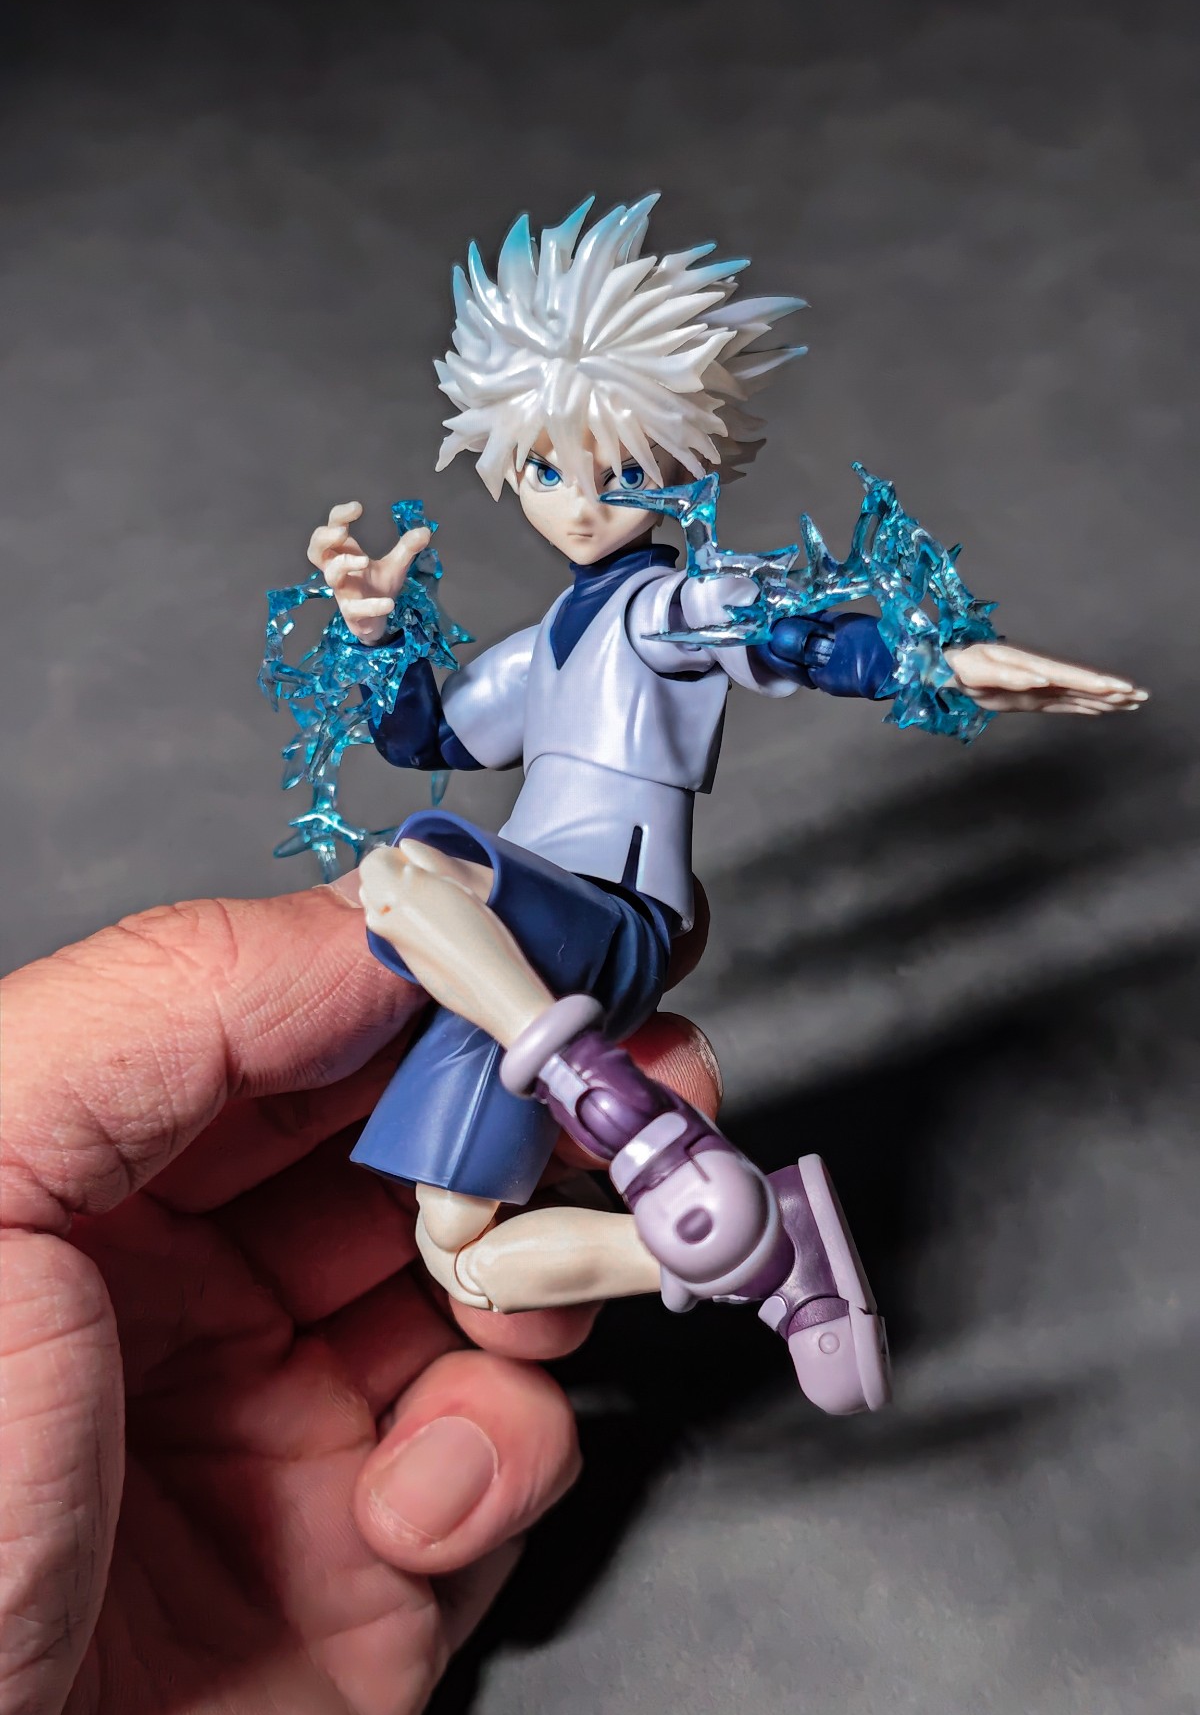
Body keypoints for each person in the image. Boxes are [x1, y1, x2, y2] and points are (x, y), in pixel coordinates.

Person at [305, 195, 1145, 1330]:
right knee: (459, 1249)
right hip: (509, 958)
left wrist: (938, 661)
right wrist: (373, 637)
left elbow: (793, 636)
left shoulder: (664, 606)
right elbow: (429, 741)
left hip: (603, 919)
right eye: (547, 471)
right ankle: (760, 1255)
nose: (583, 506)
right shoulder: (539, 651)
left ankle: (607, 1102)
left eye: (622, 472)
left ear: (681, 463)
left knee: (402, 873)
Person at [0, 875, 719, 1715]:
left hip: (509, 1002)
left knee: (467, 1256)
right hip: (513, 1014)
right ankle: (708, 1245)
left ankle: (706, 1246)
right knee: (466, 1260)